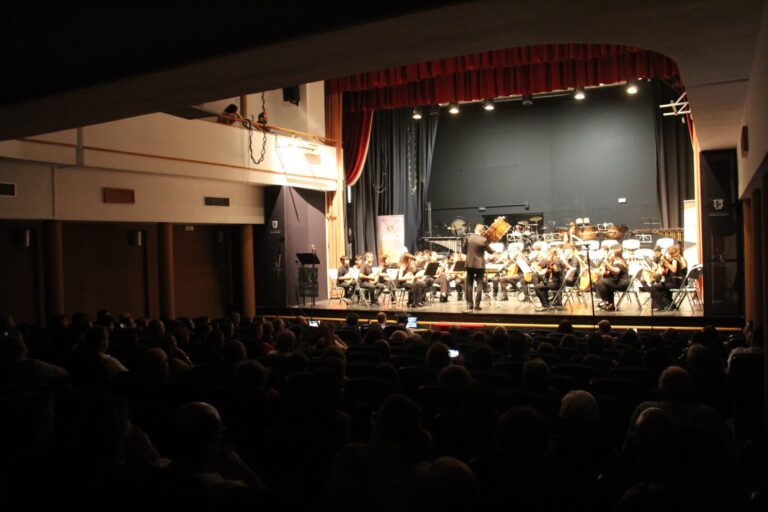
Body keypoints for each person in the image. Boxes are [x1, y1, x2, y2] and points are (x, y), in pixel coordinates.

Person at [462, 224, 495, 311]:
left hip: (469, 264)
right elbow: (490, 251)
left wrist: (469, 254)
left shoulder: (468, 237)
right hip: (480, 265)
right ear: (482, 231)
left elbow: (463, 250)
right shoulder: (483, 240)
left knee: (469, 284)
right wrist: (494, 250)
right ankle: (477, 305)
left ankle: (470, 304)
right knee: (479, 284)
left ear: (475, 229)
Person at [650, 245, 687, 310]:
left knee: (654, 287)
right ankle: (670, 305)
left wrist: (665, 261)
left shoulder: (675, 260)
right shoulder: (675, 259)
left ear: (671, 254)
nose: (667, 255)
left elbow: (674, 269)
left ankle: (658, 306)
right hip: (673, 282)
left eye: (668, 253)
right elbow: (667, 270)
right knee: (661, 288)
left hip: (674, 283)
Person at [596, 246, 630, 311]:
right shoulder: (617, 261)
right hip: (620, 281)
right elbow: (611, 272)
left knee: (601, 282)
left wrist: (607, 264)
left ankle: (605, 301)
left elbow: (616, 272)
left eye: (611, 254)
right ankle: (611, 305)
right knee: (607, 283)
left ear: (614, 255)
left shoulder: (618, 262)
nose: (609, 255)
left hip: (622, 283)